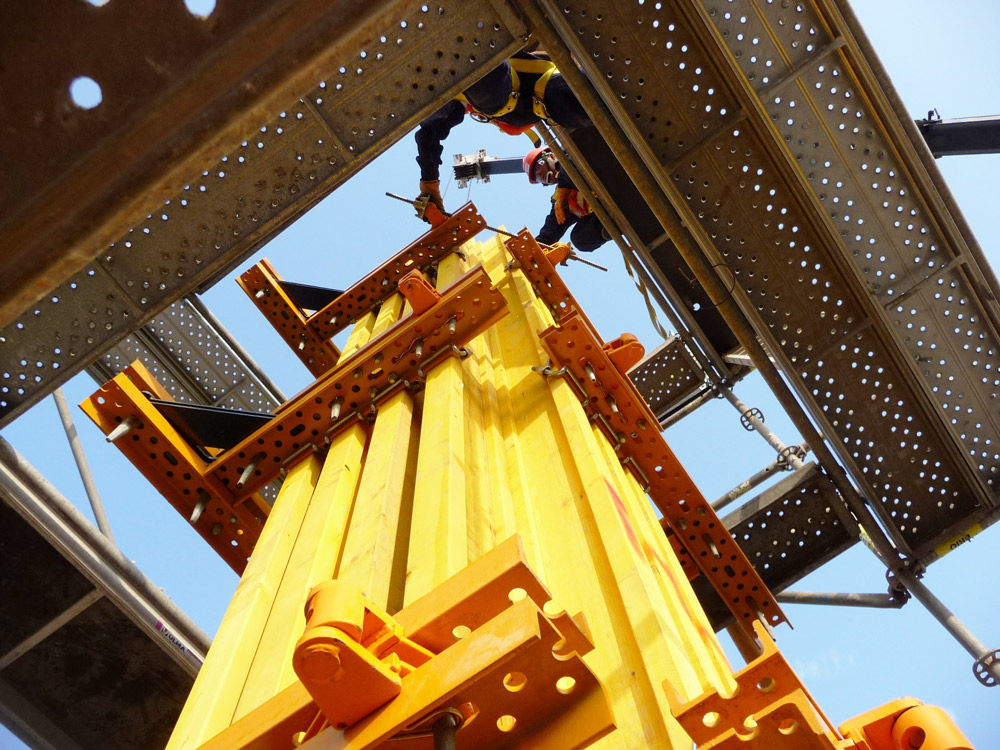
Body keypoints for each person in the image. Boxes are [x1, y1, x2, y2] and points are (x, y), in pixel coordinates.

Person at [414, 51, 590, 213]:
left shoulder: (491, 96)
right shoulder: (463, 105)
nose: (541, 175)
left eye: (538, 171)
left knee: (490, 96)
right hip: (550, 100)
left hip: (548, 90)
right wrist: (429, 181)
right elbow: (428, 136)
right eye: (539, 177)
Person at [524, 146, 609, 252]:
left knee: (565, 167)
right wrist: (535, 249)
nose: (539, 174)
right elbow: (551, 229)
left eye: (538, 166)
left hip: (611, 176)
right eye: (537, 178)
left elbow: (568, 168)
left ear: (551, 156)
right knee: (580, 239)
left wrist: (563, 194)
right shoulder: (559, 201)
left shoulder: (573, 152)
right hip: (615, 207)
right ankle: (615, 226)